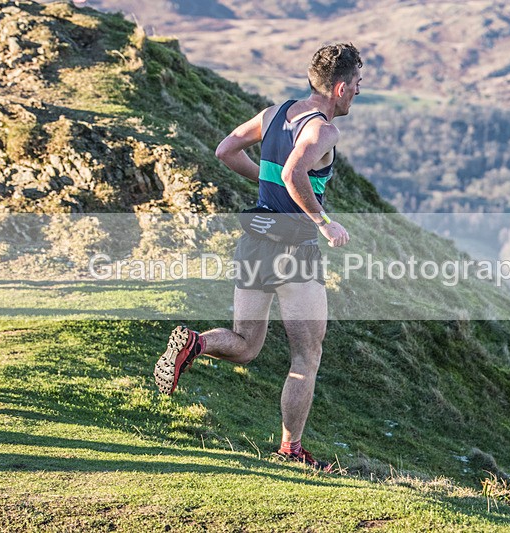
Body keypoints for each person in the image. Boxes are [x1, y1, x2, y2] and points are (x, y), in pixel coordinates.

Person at [154, 43, 362, 471]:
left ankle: (196, 342)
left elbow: (225, 151)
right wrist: (325, 222)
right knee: (306, 355)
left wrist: (267, 183)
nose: (358, 92)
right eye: (357, 84)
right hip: (294, 246)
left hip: (255, 239)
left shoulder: (273, 114)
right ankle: (291, 449)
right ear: (340, 88)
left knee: (246, 344)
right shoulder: (323, 130)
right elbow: (293, 172)